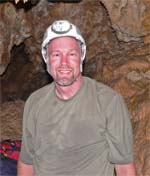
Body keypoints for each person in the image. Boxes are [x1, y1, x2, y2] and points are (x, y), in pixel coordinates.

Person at [17, 20, 136, 176]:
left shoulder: (108, 101)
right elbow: (27, 162)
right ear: (47, 58)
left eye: (71, 54)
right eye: (56, 54)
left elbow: (124, 168)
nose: (64, 62)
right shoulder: (35, 102)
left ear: (81, 57)